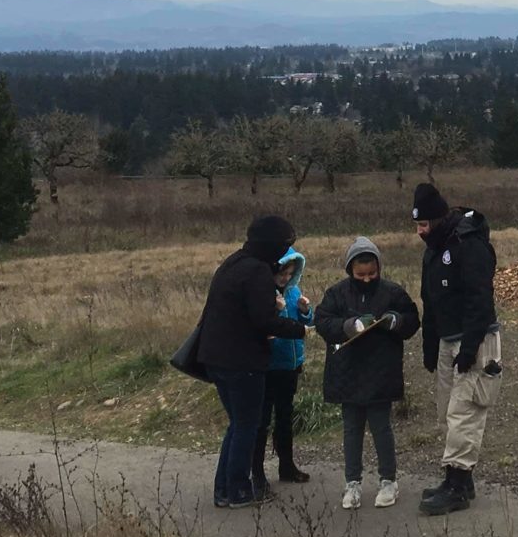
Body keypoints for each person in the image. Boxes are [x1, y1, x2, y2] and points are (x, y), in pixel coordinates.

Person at [171, 214, 309, 509]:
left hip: (215, 358)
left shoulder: (233, 262)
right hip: (242, 361)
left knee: (238, 425)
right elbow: (264, 320)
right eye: (284, 243)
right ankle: (238, 490)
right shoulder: (258, 271)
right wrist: (300, 329)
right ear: (272, 244)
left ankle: (223, 490)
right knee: (248, 425)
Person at [413, 182, 501, 516]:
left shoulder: (470, 245)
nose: (420, 231)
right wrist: (429, 345)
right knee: (447, 412)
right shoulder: (433, 251)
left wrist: (470, 347)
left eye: (424, 224)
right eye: (417, 225)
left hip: (475, 341)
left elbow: (480, 299)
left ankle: (457, 487)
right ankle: (459, 478)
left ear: (438, 219)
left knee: (465, 412)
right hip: (446, 340)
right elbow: (430, 302)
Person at [314, 236, 420, 511]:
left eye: (372, 274)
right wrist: (348, 326)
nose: (366, 279)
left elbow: (412, 320)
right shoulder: (336, 293)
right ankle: (352, 483)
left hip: (381, 372)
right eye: (360, 274)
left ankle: (388, 481)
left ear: (379, 269)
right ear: (350, 269)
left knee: (381, 427)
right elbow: (322, 321)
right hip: (347, 372)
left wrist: (396, 321)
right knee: (352, 429)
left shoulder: (392, 292)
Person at [253, 245, 313, 493]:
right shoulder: (262, 294)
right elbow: (260, 325)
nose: (286, 278)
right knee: (262, 420)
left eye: (290, 274)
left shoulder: (293, 291)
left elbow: (305, 323)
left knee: (285, 417)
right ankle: (257, 473)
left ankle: (287, 466)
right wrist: (275, 310)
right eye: (282, 273)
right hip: (269, 366)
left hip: (291, 364)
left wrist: (305, 311)